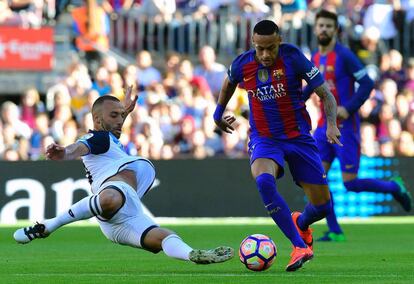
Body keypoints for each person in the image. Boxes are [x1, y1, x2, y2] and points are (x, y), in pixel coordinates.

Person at [14, 86, 234, 265]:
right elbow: (79, 147)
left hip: (121, 219)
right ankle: (49, 225)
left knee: (162, 237)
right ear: (98, 121)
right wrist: (65, 152)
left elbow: (111, 125)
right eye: (114, 115)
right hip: (112, 198)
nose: (120, 120)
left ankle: (193, 254)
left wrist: (124, 111)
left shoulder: (111, 140)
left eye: (122, 115)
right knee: (111, 197)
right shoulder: (99, 139)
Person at [213, 19, 341, 272]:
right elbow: (228, 83)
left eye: (270, 47)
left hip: (299, 138)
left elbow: (325, 93)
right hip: (264, 138)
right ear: (253, 43)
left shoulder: (294, 57)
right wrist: (218, 113)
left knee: (323, 206)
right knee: (263, 181)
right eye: (259, 48)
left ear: (279, 41)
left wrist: (332, 124)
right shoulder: (242, 63)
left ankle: (301, 223)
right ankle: (299, 246)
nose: (264, 54)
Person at [304, 9, 412, 242]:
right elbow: (308, 88)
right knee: (316, 179)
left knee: (350, 183)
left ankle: (393, 187)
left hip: (346, 128)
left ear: (335, 30)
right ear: (315, 29)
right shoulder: (314, 58)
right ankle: (334, 231)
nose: (323, 29)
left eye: (328, 26)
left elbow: (367, 82)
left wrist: (349, 107)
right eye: (320, 26)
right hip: (323, 128)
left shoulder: (344, 55)